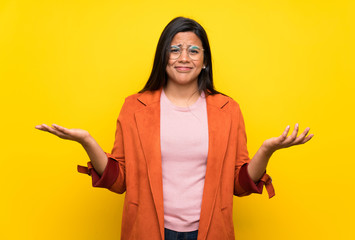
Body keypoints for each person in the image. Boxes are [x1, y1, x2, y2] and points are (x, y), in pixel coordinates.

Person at [35, 17, 313, 240]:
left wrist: (267, 150)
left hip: (210, 231)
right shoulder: (134, 107)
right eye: (174, 49)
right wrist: (87, 141)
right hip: (146, 231)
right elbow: (120, 181)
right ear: (163, 57)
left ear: (205, 61)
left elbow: (237, 185)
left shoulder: (228, 110)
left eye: (193, 50)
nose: (184, 57)